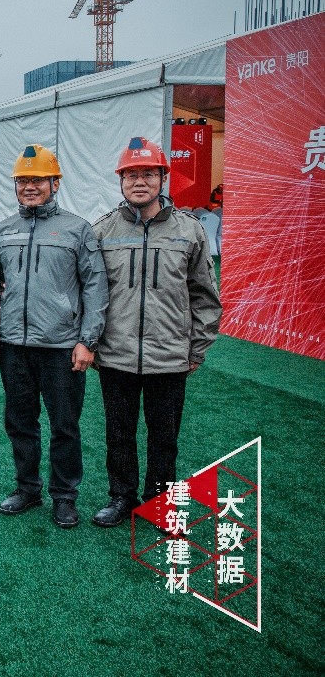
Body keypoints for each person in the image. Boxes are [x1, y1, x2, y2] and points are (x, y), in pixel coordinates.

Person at [90, 138, 221, 527]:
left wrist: (196, 349)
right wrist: (92, 343)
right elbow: (90, 294)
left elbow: (205, 296)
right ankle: (121, 497)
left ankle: (160, 501)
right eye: (131, 175)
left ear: (163, 178)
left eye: (148, 173)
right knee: (119, 434)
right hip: (116, 354)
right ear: (121, 181)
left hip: (169, 355)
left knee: (164, 437)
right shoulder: (103, 231)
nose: (139, 182)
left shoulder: (189, 231)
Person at [0, 144, 108, 529]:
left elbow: (95, 287)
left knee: (64, 425)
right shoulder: (4, 230)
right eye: (22, 180)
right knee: (20, 423)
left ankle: (64, 496)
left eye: (38, 179)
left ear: (54, 183)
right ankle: (27, 489)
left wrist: (87, 340)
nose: (29, 187)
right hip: (14, 346)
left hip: (62, 347)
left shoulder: (77, 229)